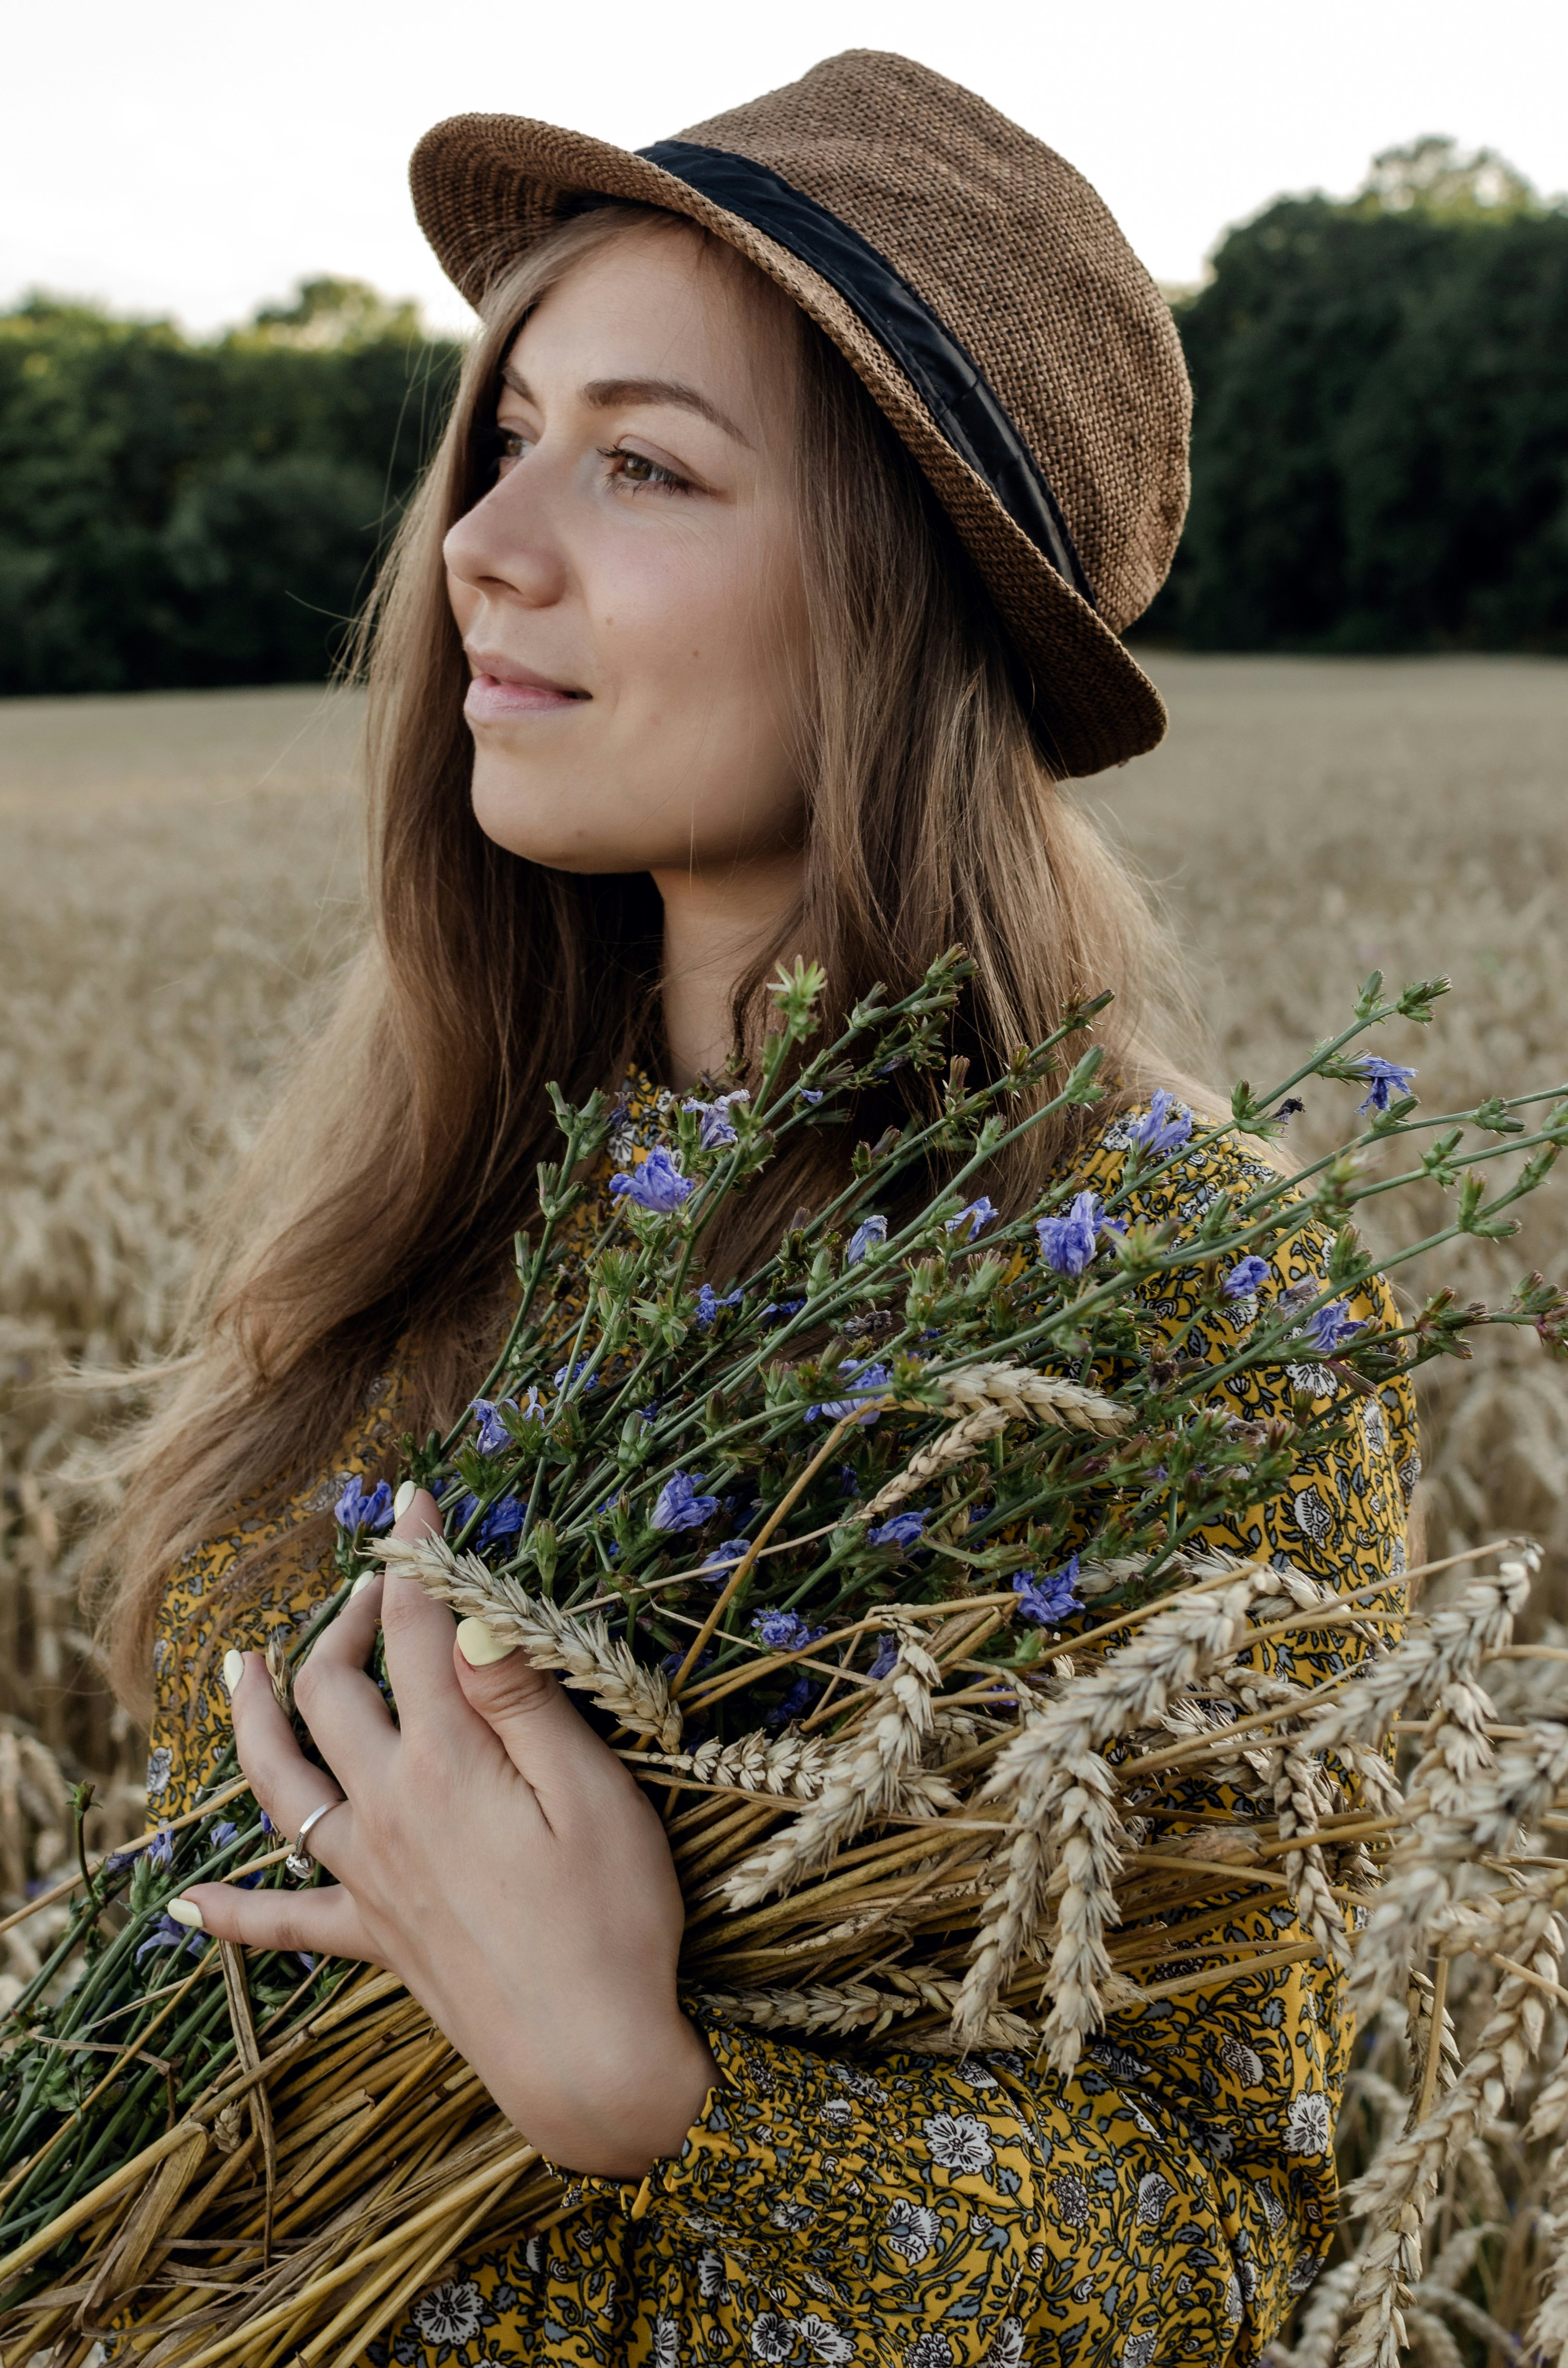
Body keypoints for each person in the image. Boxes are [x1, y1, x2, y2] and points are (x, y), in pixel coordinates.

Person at [104, 52, 1416, 2366]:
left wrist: (644, 2090)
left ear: (904, 601)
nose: (482, 544)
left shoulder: (1190, 1301)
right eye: (504, 438)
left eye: (643, 463)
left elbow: (1232, 2242)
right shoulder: (451, 1177)